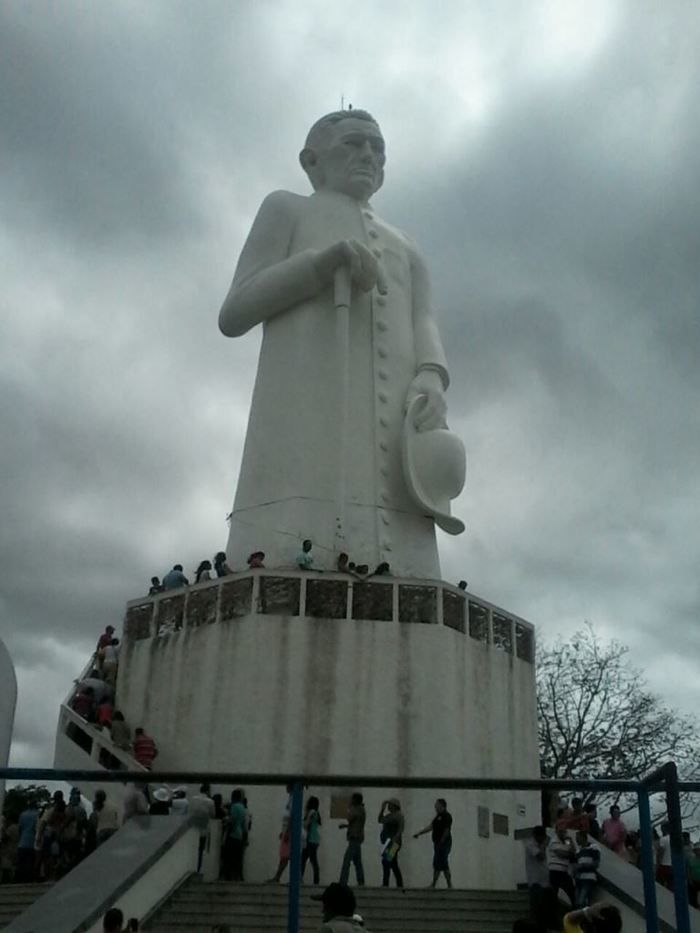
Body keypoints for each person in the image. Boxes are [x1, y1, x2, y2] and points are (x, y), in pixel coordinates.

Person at [218, 109, 465, 578]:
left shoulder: (406, 244)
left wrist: (433, 374)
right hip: (304, 409)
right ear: (312, 161)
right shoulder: (287, 208)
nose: (369, 155)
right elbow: (235, 312)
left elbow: (423, 317)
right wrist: (317, 267)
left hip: (400, 418)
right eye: (353, 144)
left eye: (378, 149)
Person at [413, 797, 452, 888]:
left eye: (437, 805)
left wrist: (442, 841)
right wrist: (420, 833)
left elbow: (447, 830)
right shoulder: (437, 817)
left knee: (441, 862)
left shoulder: (446, 816)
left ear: (442, 806)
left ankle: (444, 884)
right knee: (439, 863)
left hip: (444, 843)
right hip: (437, 842)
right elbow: (431, 827)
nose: (435, 807)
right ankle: (438, 884)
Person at [524, 826, 555, 929]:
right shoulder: (530, 845)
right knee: (536, 905)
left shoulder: (540, 844)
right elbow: (540, 856)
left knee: (545, 906)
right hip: (535, 881)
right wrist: (543, 846)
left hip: (544, 880)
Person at [267, 784, 293, 883]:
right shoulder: (290, 798)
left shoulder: (293, 799)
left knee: (285, 856)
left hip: (289, 832)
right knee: (285, 856)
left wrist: (287, 832)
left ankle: (277, 877)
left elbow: (292, 817)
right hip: (286, 830)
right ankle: (277, 876)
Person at [339, 792, 365, 887]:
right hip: (357, 837)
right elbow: (355, 823)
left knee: (347, 860)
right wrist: (346, 826)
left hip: (355, 838)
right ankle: (361, 880)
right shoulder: (361, 810)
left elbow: (350, 817)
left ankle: (343, 881)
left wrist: (350, 807)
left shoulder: (357, 809)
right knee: (357, 862)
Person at [378, 798, 404, 889]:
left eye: (390, 805)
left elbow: (400, 829)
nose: (388, 806)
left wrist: (395, 839)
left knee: (386, 861)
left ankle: (386, 883)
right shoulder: (389, 816)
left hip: (394, 843)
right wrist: (382, 809)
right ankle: (399, 884)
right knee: (393, 863)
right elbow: (380, 820)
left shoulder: (398, 816)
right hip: (388, 842)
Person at [190, 783, 216, 874]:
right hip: (204, 828)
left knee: (194, 850)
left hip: (193, 828)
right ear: (208, 791)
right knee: (202, 849)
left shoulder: (193, 799)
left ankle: (193, 867)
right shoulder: (210, 802)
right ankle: (199, 868)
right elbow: (213, 814)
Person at [548, 823, 576, 905]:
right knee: (553, 893)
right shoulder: (554, 841)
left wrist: (570, 840)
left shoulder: (566, 841)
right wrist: (569, 854)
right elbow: (561, 854)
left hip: (564, 871)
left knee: (571, 891)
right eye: (560, 831)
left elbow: (573, 852)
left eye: (564, 831)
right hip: (555, 871)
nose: (562, 833)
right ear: (556, 831)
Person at [224, 789, 248, 882]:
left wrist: (228, 827)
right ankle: (238, 877)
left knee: (229, 857)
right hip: (240, 835)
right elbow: (244, 824)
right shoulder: (243, 808)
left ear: (233, 797)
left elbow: (232, 820)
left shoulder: (234, 807)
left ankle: (228, 877)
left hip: (232, 835)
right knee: (238, 858)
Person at [573, 830, 600, 907]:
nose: (576, 840)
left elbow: (596, 863)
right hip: (579, 878)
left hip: (589, 877)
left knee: (582, 901)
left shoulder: (593, 847)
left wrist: (583, 865)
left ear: (583, 838)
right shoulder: (578, 851)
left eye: (577, 838)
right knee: (577, 902)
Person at [15, 800, 39, 882]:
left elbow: (20, 828)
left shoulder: (23, 814)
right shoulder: (37, 814)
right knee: (31, 863)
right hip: (33, 842)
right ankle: (30, 879)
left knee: (21, 864)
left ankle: (20, 880)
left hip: (22, 842)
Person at [301, 795, 322, 885]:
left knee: (310, 860)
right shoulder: (316, 813)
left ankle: (315, 881)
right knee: (305, 859)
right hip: (314, 840)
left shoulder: (312, 812)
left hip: (311, 840)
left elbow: (306, 824)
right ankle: (301, 878)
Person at [656, 820, 673, 889]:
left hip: (664, 865)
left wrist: (657, 865)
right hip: (674, 866)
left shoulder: (663, 839)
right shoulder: (676, 839)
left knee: (660, 886)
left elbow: (660, 854)